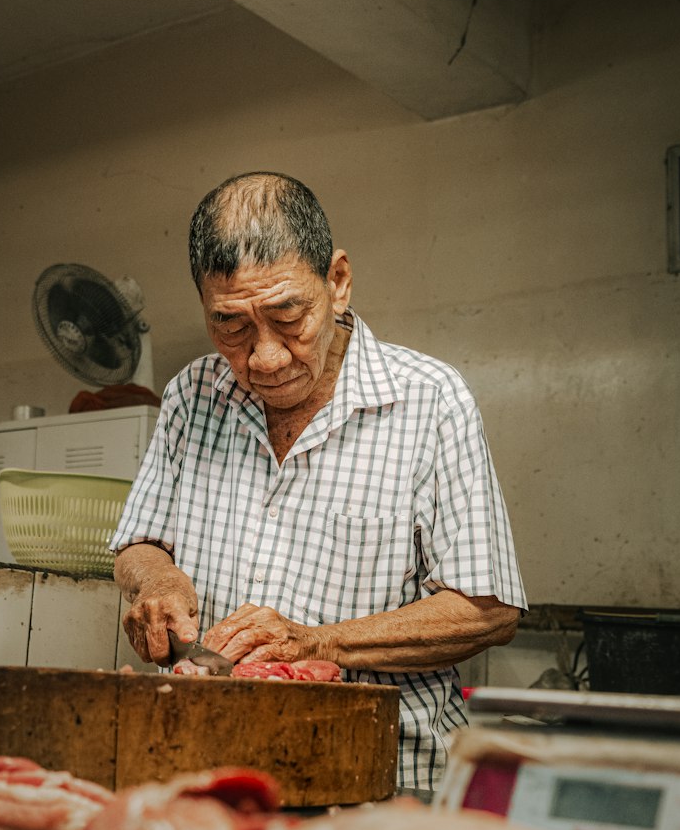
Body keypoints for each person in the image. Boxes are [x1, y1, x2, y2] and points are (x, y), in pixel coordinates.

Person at [111, 172, 526, 795]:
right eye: (231, 326)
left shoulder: (430, 400)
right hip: (206, 770)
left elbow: (486, 612)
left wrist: (316, 644)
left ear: (336, 282)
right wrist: (156, 579)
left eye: (288, 317)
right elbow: (140, 544)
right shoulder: (190, 395)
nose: (265, 358)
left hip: (378, 783)